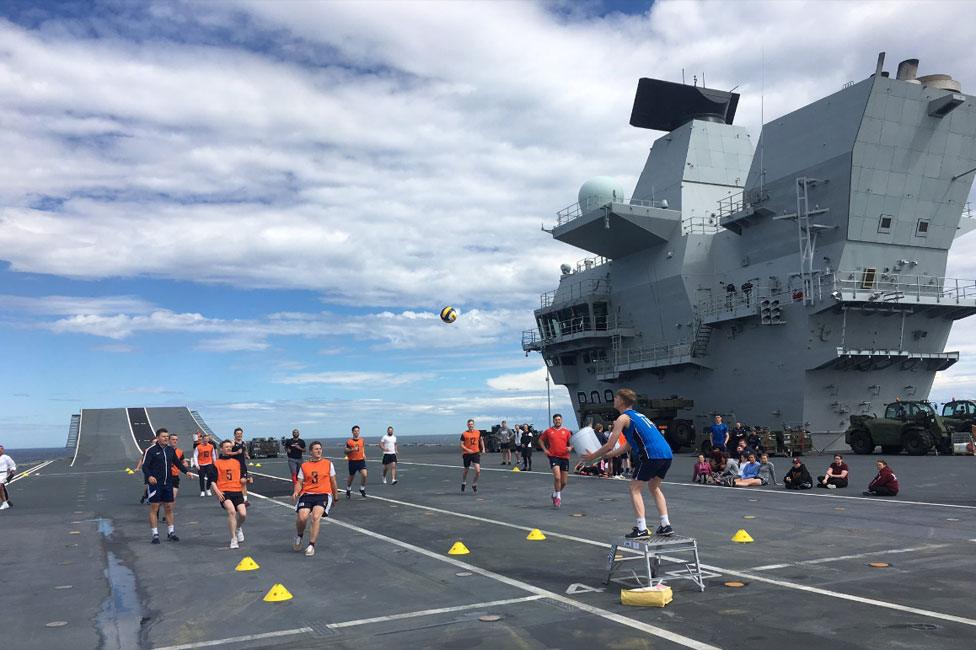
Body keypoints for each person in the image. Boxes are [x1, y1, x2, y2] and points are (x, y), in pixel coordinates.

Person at [583, 388, 674, 538]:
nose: (614, 400)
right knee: (654, 487)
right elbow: (628, 445)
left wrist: (592, 456)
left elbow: (610, 444)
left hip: (651, 454)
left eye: (616, 398)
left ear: (622, 401)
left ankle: (641, 528)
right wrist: (606, 457)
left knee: (634, 488)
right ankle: (666, 525)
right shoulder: (640, 416)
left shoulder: (623, 418)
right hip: (666, 454)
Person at [142, 428, 192, 543]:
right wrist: (149, 476)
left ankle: (171, 532)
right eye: (163, 436)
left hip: (168, 483)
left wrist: (186, 471)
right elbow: (145, 466)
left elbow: (177, 463)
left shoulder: (170, 450)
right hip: (155, 484)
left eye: (167, 436)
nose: (166, 438)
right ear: (158, 437)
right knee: (155, 508)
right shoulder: (151, 450)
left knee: (169, 507)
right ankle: (155, 535)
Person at [291, 441, 337, 557]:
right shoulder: (305, 466)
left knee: (315, 517)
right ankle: (299, 536)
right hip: (307, 494)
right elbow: (299, 482)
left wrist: (335, 496)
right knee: (302, 517)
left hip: (323, 494)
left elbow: (333, 481)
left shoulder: (328, 464)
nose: (319, 451)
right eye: (316, 449)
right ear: (311, 451)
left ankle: (311, 545)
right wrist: (296, 491)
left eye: (320, 449)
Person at [212, 440, 247, 549]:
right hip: (224, 492)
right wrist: (217, 491)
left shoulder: (236, 462)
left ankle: (238, 527)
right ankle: (233, 539)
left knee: (242, 514)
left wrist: (245, 480)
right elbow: (212, 480)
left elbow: (242, 477)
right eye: (226, 447)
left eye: (230, 447)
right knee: (231, 511)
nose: (228, 448)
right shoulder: (217, 463)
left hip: (237, 491)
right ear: (221, 449)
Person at [539, 413, 573, 508]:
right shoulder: (549, 431)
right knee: (557, 477)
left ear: (561, 420)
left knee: (564, 482)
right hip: (554, 456)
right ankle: (558, 497)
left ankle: (554, 493)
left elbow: (572, 442)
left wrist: (570, 447)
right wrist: (545, 450)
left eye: (559, 419)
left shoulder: (566, 431)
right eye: (556, 419)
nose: (557, 421)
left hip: (565, 457)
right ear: (553, 421)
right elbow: (540, 440)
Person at [460, 419, 485, 493]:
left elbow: (481, 440)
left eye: (472, 424)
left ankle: (474, 484)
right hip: (467, 454)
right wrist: (467, 450)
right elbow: (461, 444)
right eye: (469, 424)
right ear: (467, 425)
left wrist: (483, 448)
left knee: (478, 470)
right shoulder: (464, 434)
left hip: (475, 453)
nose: (471, 425)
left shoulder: (478, 432)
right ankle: (464, 482)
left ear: (473, 425)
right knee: (466, 470)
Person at [229, 427, 251, 506]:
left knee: (243, 482)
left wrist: (246, 455)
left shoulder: (243, 442)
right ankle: (234, 500)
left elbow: (245, 450)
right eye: (237, 434)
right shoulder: (232, 443)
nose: (239, 435)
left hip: (242, 465)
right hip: (233, 466)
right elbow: (227, 453)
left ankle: (245, 500)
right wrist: (236, 452)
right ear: (234, 434)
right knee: (234, 484)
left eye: (240, 434)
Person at [344, 425, 368, 498]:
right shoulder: (349, 441)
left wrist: (363, 454)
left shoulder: (362, 440)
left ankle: (362, 489)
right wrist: (352, 449)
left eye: (358, 431)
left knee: (364, 474)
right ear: (352, 432)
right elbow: (345, 451)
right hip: (352, 461)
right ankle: (348, 489)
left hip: (361, 460)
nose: (356, 432)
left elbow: (362, 448)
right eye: (355, 431)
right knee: (351, 477)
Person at [168, 433, 189, 498]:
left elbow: (182, 461)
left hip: (175, 476)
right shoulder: (164, 450)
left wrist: (185, 463)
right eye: (173, 439)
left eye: (176, 440)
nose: (175, 441)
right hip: (165, 476)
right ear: (169, 440)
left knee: (172, 498)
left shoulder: (180, 451)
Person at [0, 444, 16, 510]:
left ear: (3, 450)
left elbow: (12, 465)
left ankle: (4, 503)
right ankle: (6, 501)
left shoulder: (6, 457)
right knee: (1, 487)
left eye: (1, 450)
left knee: (0, 485)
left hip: (2, 474)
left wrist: (12, 471)